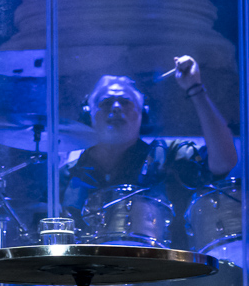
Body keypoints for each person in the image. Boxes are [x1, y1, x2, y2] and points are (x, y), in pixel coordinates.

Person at [62, 57, 237, 249]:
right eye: (106, 102)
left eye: (125, 101)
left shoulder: (169, 154)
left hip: (162, 273)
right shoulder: (68, 174)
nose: (116, 107)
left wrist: (195, 88)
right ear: (89, 112)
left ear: (142, 111)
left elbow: (224, 162)